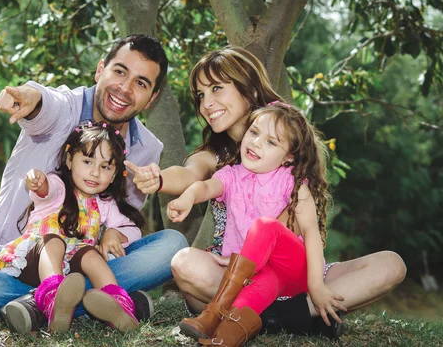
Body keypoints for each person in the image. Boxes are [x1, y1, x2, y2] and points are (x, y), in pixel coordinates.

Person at [126, 46, 406, 339]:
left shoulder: (286, 134)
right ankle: (289, 318)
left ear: (247, 87)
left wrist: (263, 258)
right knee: (184, 263)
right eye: (200, 95)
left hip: (295, 273)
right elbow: (189, 175)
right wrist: (157, 179)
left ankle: (271, 317)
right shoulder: (219, 155)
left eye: (216, 89)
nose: (206, 103)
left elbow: (298, 224)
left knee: (390, 265)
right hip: (237, 276)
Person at [0, 35, 188, 333]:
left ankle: (44, 305)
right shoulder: (66, 108)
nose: (125, 89)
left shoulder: (146, 149)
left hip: (82, 256)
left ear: (151, 97)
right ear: (100, 69)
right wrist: (29, 96)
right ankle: (89, 302)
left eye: (141, 83)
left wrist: (115, 232)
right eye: (119, 71)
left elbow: (119, 217)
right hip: (18, 257)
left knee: (173, 246)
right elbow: (45, 102)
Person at [168, 103, 344, 346]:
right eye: (254, 132)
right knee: (257, 288)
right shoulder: (232, 174)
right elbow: (207, 186)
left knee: (265, 226)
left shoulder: (291, 182)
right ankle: (224, 338)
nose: (257, 143)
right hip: (259, 275)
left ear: (288, 156)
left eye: (272, 142)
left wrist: (316, 286)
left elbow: (311, 232)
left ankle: (214, 311)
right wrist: (188, 197)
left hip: (292, 268)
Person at [0, 122, 144, 333]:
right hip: (36, 262)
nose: (95, 173)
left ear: (113, 175)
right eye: (87, 161)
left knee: (90, 254)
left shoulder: (105, 202)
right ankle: (52, 300)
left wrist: (114, 233)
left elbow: (131, 228)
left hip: (73, 274)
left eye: (105, 167)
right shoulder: (59, 186)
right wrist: (39, 183)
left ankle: (117, 304)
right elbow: (46, 190)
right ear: (69, 160)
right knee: (53, 241)